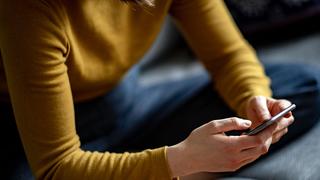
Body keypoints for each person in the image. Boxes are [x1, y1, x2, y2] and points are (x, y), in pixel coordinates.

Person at [1, 0, 319, 179]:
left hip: (128, 104)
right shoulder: (29, 11)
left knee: (305, 85)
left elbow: (227, 56)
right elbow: (56, 166)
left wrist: (254, 100)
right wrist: (180, 161)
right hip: (35, 139)